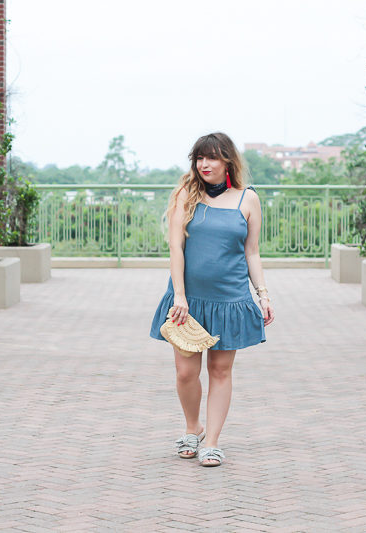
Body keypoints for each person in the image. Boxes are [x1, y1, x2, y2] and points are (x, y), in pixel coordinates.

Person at [149, 132, 274, 467]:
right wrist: (179, 294)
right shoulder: (185, 197)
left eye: (212, 158)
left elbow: (252, 251)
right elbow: (176, 247)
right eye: (199, 158)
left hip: (230, 299)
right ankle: (193, 428)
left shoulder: (247, 199)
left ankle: (213, 443)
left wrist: (262, 294)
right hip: (187, 300)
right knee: (186, 372)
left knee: (220, 370)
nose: (204, 164)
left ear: (228, 161)